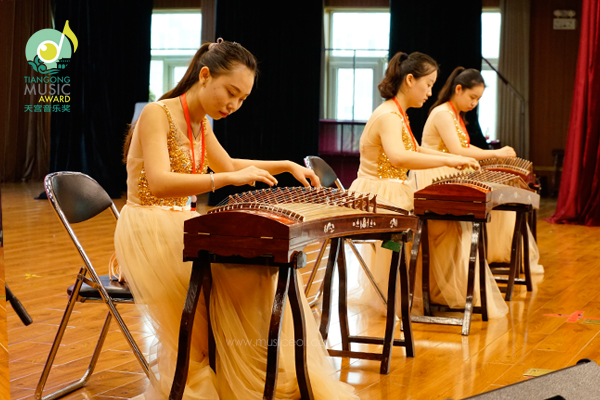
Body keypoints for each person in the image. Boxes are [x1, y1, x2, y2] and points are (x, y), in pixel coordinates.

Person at [114, 39, 357, 400]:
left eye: (242, 99)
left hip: (185, 224)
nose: (234, 105)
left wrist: (286, 165)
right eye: (231, 92)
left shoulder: (201, 123)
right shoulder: (156, 113)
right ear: (205, 75)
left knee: (257, 271)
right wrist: (223, 180)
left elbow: (228, 164)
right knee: (229, 277)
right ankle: (215, 373)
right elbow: (162, 182)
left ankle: (253, 373)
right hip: (148, 228)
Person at [348, 52, 509, 320]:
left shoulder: (398, 113)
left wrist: (453, 158)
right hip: (378, 193)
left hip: (392, 189)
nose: (430, 92)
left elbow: (416, 148)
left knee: (446, 225)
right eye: (428, 84)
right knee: (431, 228)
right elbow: (399, 157)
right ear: (410, 80)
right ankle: (399, 295)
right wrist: (450, 159)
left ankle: (426, 293)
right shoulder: (389, 115)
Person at [415, 67, 543, 273]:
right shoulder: (443, 113)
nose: (474, 103)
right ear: (458, 89)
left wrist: (492, 155)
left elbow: (465, 147)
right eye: (472, 97)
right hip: (436, 175)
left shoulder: (454, 114)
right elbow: (458, 150)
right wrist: (496, 154)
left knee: (502, 205)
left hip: (450, 171)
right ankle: (473, 267)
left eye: (478, 99)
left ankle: (494, 259)